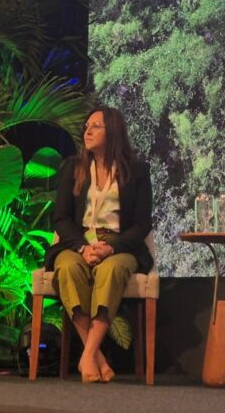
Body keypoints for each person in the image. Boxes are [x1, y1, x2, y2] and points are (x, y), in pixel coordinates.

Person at [44, 107, 153, 383]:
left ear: (113, 131)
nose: (87, 131)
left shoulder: (137, 171)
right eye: (86, 126)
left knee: (112, 270)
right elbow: (61, 217)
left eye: (96, 126)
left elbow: (142, 223)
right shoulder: (74, 167)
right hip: (79, 242)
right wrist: (82, 247)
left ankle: (88, 355)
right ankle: (96, 357)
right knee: (68, 268)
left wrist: (111, 248)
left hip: (120, 245)